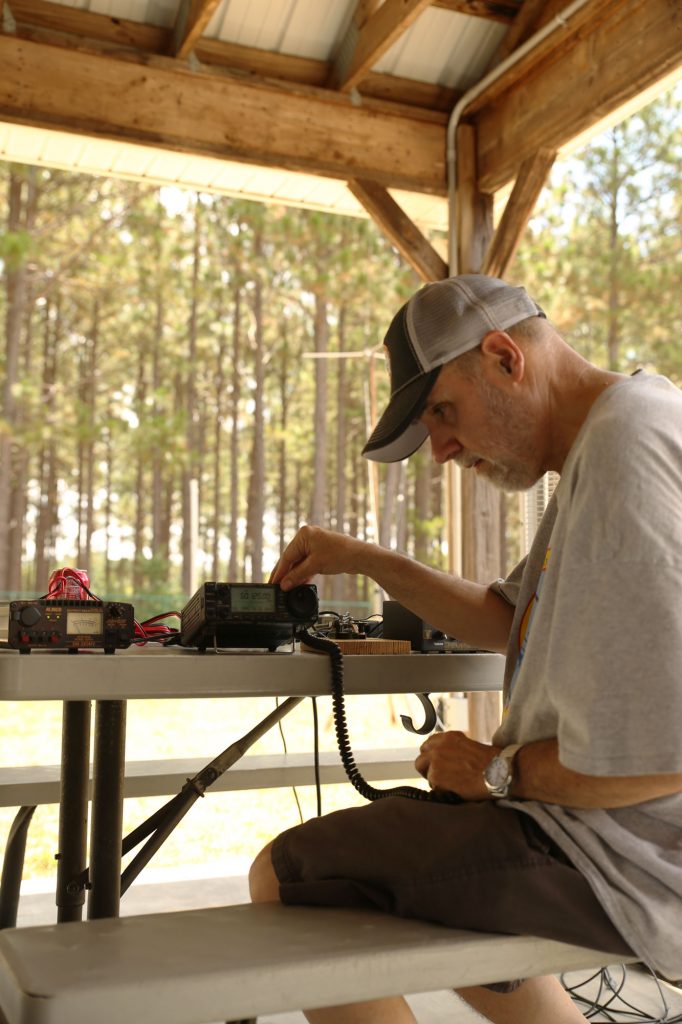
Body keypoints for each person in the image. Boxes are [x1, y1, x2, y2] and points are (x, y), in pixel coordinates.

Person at [249, 274, 682, 1024]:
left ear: (505, 358)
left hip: (631, 863)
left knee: (289, 876)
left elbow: (663, 751)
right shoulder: (622, 429)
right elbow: (503, 617)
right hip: (606, 836)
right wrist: (365, 558)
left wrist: (496, 770)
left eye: (443, 412)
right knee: (434, 857)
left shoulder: (623, 448)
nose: (442, 450)